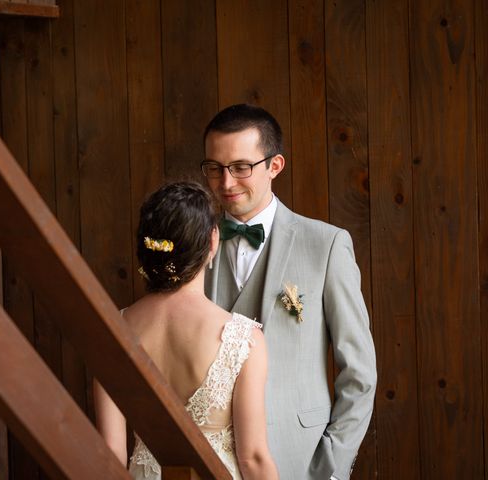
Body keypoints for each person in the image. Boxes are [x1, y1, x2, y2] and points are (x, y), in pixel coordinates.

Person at [201, 104, 377, 480]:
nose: (226, 183)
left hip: (301, 460)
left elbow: (359, 372)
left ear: (274, 166)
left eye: (241, 167)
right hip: (208, 461)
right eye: (215, 168)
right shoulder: (194, 247)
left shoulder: (326, 245)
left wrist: (332, 467)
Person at [94, 181, 279, 479]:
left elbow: (110, 452)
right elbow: (253, 458)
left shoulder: (113, 331)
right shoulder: (243, 341)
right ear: (212, 241)